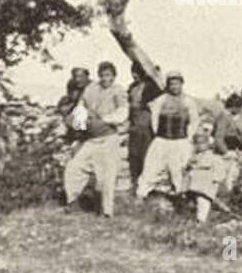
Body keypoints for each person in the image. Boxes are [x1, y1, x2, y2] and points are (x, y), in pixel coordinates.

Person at [62, 61, 128, 217]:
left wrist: (105, 120)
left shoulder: (118, 91)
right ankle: (73, 201)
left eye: (109, 76)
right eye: (103, 75)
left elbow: (123, 112)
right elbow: (81, 107)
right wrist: (76, 121)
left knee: (107, 175)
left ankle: (107, 211)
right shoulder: (91, 89)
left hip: (108, 138)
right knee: (74, 168)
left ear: (114, 76)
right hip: (92, 139)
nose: (106, 79)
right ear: (98, 76)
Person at [136, 70, 200, 201]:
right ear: (168, 85)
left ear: (182, 84)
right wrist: (159, 134)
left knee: (180, 169)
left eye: (177, 84)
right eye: (172, 84)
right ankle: (141, 194)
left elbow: (194, 121)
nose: (175, 87)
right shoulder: (161, 100)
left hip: (180, 141)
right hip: (162, 140)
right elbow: (154, 120)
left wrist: (188, 138)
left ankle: (181, 196)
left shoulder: (189, 101)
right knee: (151, 168)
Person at [126, 62, 163, 184]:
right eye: (132, 72)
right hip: (135, 124)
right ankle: (134, 180)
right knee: (133, 153)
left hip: (147, 124)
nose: (134, 75)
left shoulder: (151, 86)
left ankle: (145, 182)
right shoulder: (132, 87)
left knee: (146, 153)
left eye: (137, 72)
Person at [184, 130, 227, 223]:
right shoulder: (194, 157)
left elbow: (219, 170)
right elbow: (188, 168)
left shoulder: (213, 157)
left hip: (206, 184)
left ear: (208, 144)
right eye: (197, 143)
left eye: (202, 143)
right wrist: (189, 166)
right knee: (191, 202)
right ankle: (191, 217)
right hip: (193, 184)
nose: (200, 146)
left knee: (203, 201)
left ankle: (201, 219)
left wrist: (216, 179)